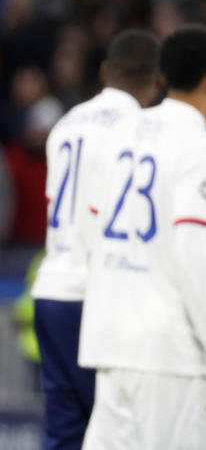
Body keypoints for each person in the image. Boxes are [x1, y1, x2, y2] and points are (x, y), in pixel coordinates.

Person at [78, 24, 206, 450]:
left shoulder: (118, 133)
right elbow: (192, 250)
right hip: (170, 354)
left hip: (109, 342)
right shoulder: (203, 149)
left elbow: (91, 228)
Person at [31, 29, 161, 450]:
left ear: (106, 72)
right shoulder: (140, 130)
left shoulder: (65, 124)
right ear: (158, 80)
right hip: (102, 297)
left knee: (64, 433)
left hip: (52, 289)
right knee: (119, 435)